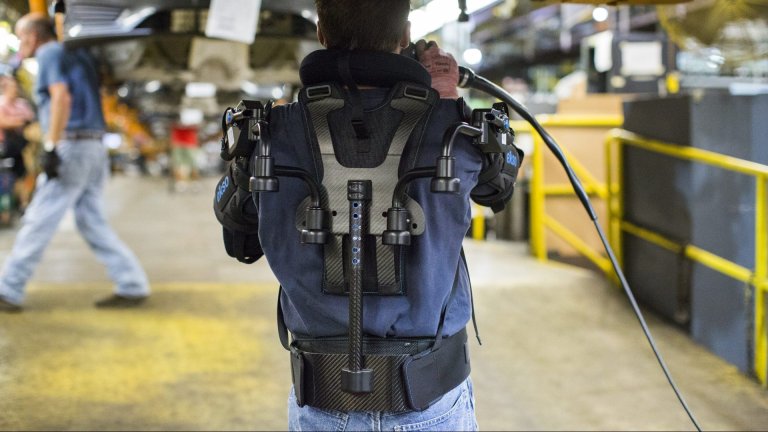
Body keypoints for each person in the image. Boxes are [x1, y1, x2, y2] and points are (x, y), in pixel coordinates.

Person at [214, 1, 519, 430]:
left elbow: (238, 239)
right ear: (405, 35)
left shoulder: (268, 132)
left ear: (321, 32)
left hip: (323, 403)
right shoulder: (455, 127)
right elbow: (498, 188)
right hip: (430, 401)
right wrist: (447, 100)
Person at [0, 13, 150, 313]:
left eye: (22, 36)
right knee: (90, 220)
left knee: (40, 217)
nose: (21, 43)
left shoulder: (50, 52)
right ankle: (132, 283)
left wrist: (51, 145)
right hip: (93, 146)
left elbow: (61, 97)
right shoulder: (80, 55)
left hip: (72, 144)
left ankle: (8, 289)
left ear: (34, 36)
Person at [0, 74, 35, 224]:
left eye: (15, 87)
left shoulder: (22, 104)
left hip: (22, 146)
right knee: (6, 178)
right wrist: (20, 121)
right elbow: (3, 122)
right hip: (5, 147)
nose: (14, 89)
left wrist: (14, 121)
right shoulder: (2, 103)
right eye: (11, 87)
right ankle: (6, 212)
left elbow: (30, 119)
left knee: (24, 175)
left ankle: (23, 206)